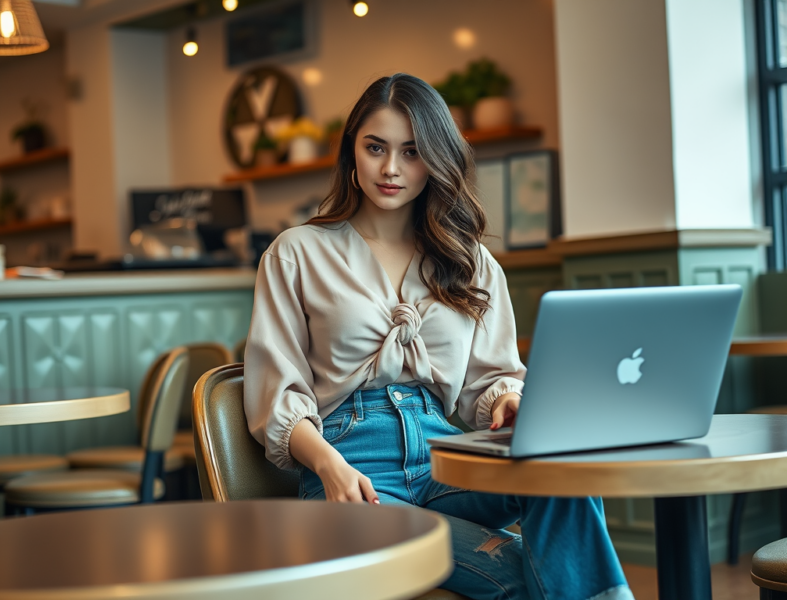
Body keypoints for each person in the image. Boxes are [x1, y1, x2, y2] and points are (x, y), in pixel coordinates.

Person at [244, 73, 634, 600]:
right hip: (352, 473)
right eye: (375, 147)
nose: (390, 168)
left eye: (411, 152)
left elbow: (492, 381)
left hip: (446, 458)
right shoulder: (296, 252)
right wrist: (328, 467)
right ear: (351, 152)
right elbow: (277, 394)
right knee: (519, 580)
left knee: (564, 480)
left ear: (435, 160)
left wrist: (509, 403)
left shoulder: (469, 260)